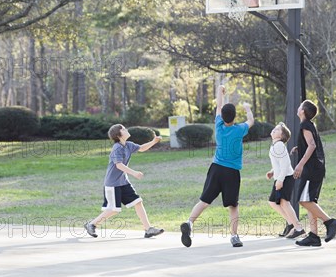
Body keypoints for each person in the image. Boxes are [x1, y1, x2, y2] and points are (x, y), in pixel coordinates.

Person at [180, 84, 254, 248]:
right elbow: (251, 121)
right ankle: (234, 236)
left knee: (204, 200)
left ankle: (189, 223)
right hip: (232, 172)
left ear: (223, 117)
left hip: (216, 169)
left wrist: (219, 91)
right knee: (233, 205)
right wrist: (248, 108)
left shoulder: (219, 127)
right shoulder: (239, 129)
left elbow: (219, 107)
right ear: (235, 118)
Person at [84, 124, 164, 239]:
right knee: (113, 209)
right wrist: (134, 173)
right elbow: (119, 165)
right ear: (119, 135)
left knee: (138, 202)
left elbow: (141, 148)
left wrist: (153, 141)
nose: (126, 129)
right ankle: (91, 224)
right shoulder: (117, 148)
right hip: (112, 184)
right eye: (123, 129)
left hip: (123, 182)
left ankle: (148, 229)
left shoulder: (128, 145)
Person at [291, 100, 336, 246]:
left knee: (303, 200)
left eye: (300, 106)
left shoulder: (305, 125)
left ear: (303, 111)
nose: (298, 107)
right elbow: (310, 144)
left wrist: (299, 165)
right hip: (317, 168)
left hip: (311, 170)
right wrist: (298, 148)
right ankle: (313, 235)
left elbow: (312, 145)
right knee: (310, 201)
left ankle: (330, 222)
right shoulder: (310, 125)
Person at [266, 122, 305, 239]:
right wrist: (273, 171)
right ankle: (290, 224)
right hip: (280, 177)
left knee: (284, 202)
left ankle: (298, 228)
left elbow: (286, 164)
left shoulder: (279, 145)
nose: (274, 129)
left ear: (282, 136)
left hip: (285, 178)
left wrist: (280, 180)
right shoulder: (275, 145)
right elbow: (280, 162)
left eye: (277, 129)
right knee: (272, 202)